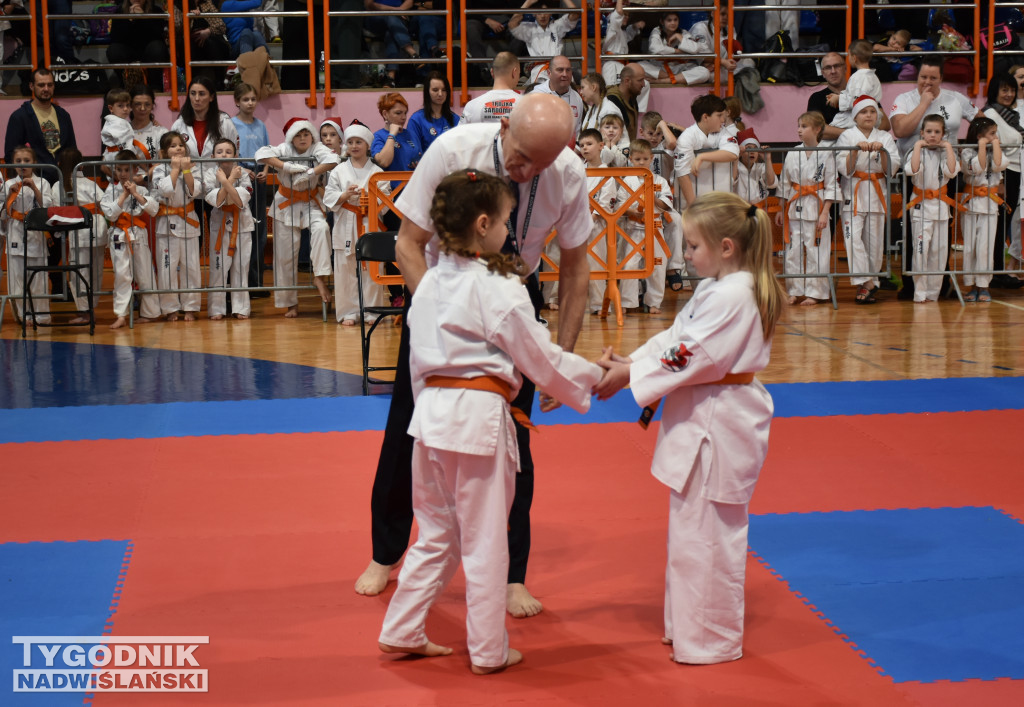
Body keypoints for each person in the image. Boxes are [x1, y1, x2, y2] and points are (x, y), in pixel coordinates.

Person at [356, 94, 592, 622]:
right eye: (521, 155)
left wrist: (562, 355)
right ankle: (385, 553)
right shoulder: (452, 149)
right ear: (505, 126)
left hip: (511, 293)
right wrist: (435, 313)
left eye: (541, 162)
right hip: (443, 291)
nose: (525, 170)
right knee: (406, 431)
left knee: (515, 442)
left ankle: (511, 575)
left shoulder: (568, 174)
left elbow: (576, 268)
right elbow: (408, 244)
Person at [377, 169, 602, 674]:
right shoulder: (498, 284)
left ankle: (402, 628)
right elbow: (539, 357)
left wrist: (428, 416)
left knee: (437, 533)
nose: (508, 230)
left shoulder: (431, 282)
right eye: (504, 220)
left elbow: (417, 364)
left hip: (428, 422)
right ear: (483, 224)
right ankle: (488, 650)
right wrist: (596, 377)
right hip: (476, 419)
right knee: (483, 540)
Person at [592, 191, 786, 666]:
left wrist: (630, 378)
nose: (687, 254)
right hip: (706, 416)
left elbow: (694, 355)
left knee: (709, 536)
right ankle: (688, 626)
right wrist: (631, 362)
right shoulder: (716, 288)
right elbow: (674, 339)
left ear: (726, 247)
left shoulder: (736, 294)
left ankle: (711, 640)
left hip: (720, 424)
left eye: (693, 246)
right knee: (690, 532)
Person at [889, 56, 977, 298]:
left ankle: (940, 286)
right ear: (917, 77)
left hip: (946, 170)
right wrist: (924, 102)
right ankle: (911, 286)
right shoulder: (904, 99)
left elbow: (979, 119)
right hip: (914, 170)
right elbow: (899, 130)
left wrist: (970, 147)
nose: (927, 82)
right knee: (913, 233)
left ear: (941, 78)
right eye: (922, 77)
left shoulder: (955, 99)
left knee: (942, 232)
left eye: (932, 78)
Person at [255, 117, 340, 316]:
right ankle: (290, 303)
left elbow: (333, 159)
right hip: (285, 204)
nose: (302, 138)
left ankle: (319, 276)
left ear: (312, 136)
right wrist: (286, 167)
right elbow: (261, 154)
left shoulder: (317, 148)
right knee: (285, 255)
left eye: (306, 134)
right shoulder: (284, 149)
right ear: (291, 138)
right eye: (298, 135)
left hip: (310, 202)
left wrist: (312, 171)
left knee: (322, 228)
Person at [323, 123, 390, 325]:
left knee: (371, 267)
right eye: (350, 142)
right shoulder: (338, 171)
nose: (354, 146)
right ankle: (348, 312)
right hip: (346, 221)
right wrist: (345, 195)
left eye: (359, 142)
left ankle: (371, 310)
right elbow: (329, 198)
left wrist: (371, 198)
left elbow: (386, 200)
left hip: (370, 222)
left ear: (368, 145)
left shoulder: (377, 172)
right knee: (346, 267)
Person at [837, 95, 898, 305]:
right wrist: (855, 151)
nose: (869, 115)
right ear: (855, 116)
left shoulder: (885, 137)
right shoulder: (847, 136)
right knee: (852, 240)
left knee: (873, 244)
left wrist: (881, 151)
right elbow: (843, 168)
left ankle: (866, 286)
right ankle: (869, 283)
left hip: (876, 193)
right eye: (864, 112)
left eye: (872, 111)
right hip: (852, 192)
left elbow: (893, 167)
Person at [776, 111, 838, 305]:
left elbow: (831, 184)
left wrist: (825, 211)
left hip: (817, 206)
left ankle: (816, 293)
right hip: (795, 205)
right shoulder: (793, 152)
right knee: (793, 250)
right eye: (799, 126)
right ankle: (794, 290)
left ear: (817, 129)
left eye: (804, 126)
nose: (799, 130)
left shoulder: (827, 153)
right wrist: (780, 208)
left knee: (816, 251)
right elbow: (784, 183)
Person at [101, 149, 161, 329]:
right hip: (119, 234)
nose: (123, 173)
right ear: (115, 171)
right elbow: (110, 215)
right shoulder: (111, 190)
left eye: (127, 169)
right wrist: (124, 196)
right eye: (119, 170)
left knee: (145, 273)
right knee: (122, 275)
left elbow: (154, 210)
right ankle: (121, 314)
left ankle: (151, 312)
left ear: (135, 170)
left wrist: (135, 194)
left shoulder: (141, 189)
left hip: (138, 233)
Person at [903, 114, 958, 303]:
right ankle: (920, 292)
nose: (933, 135)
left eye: (937, 132)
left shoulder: (946, 152)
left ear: (943, 134)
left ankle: (933, 293)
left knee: (940, 252)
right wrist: (918, 146)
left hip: (941, 207)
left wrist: (949, 147)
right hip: (921, 206)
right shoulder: (914, 151)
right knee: (920, 250)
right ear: (922, 133)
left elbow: (951, 172)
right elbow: (912, 169)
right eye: (929, 132)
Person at [153, 131, 204, 321]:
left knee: (191, 267)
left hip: (189, 221)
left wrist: (186, 170)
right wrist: (174, 169)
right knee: (167, 268)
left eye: (180, 145)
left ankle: (190, 306)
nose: (178, 148)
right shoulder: (159, 169)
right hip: (166, 224)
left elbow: (196, 190)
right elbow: (165, 191)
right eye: (173, 146)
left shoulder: (194, 167)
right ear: (164, 152)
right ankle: (170, 308)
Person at [624, 138, 678, 314]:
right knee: (629, 265)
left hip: (655, 228)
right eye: (638, 159)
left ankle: (654, 302)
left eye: (645, 159)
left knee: (657, 265)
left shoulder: (660, 181)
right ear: (631, 159)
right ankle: (628, 301)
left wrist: (651, 194)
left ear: (651, 158)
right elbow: (620, 206)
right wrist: (633, 212)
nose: (642, 162)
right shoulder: (627, 181)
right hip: (633, 228)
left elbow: (665, 205)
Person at [980, 73, 1024, 286]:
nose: (1009, 94)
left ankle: (998, 271)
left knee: (1003, 224)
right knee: (998, 225)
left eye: (1012, 90)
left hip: (1016, 172)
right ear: (995, 90)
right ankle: (995, 273)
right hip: (1002, 175)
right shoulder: (990, 114)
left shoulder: (1011, 115)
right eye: (1004, 90)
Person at [204, 138, 254, 320]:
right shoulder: (210, 174)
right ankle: (216, 309)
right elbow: (217, 201)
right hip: (220, 223)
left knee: (241, 267)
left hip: (242, 223)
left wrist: (227, 180)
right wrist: (230, 182)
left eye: (228, 151)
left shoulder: (243, 174)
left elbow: (240, 201)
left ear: (236, 155)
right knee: (219, 268)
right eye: (219, 151)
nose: (224, 154)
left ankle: (241, 308)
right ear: (212, 156)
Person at [3, 145, 53, 324]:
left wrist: (35, 188)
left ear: (34, 163)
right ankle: (23, 315)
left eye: (26, 161)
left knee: (38, 277)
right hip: (15, 233)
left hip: (37, 234)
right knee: (17, 278)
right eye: (18, 161)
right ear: (13, 164)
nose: (22, 165)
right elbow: (3, 213)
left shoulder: (43, 183)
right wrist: (9, 196)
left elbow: (48, 208)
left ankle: (41, 315)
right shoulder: (9, 184)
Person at [959, 117, 1006, 303]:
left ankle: (984, 286)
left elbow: (999, 165)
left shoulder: (996, 150)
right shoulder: (966, 152)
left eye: (996, 133)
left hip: (989, 203)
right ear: (979, 136)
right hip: (970, 202)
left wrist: (994, 145)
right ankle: (970, 285)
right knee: (970, 246)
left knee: (985, 247)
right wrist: (980, 146)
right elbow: (976, 169)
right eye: (992, 134)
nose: (996, 137)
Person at [231, 82, 271, 297]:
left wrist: (265, 169)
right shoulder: (231, 124)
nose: (250, 103)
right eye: (245, 99)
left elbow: (266, 151)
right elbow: (229, 152)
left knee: (259, 231)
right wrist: (243, 172)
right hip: (240, 177)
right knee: (242, 231)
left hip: (259, 178)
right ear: (237, 102)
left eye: (253, 99)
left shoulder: (261, 125)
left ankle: (257, 283)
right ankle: (240, 281)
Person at [674, 93, 739, 209]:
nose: (723, 120)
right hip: (694, 202)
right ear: (705, 117)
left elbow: (733, 154)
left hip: (721, 201)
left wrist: (702, 157)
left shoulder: (723, 132)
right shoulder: (687, 137)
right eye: (719, 115)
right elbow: (682, 174)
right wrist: (692, 206)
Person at [577, 128, 617, 314]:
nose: (585, 148)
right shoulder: (577, 170)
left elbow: (606, 201)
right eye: (582, 145)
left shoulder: (606, 173)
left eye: (589, 144)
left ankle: (598, 305)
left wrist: (590, 220)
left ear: (601, 146)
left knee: (595, 264)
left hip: (597, 225)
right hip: (575, 223)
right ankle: (557, 300)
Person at [4, 67, 76, 166]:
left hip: (62, 176)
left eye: (50, 85)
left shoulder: (63, 115)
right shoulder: (19, 117)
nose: (46, 89)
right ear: (31, 86)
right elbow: (11, 155)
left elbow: (72, 149)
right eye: (41, 85)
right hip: (34, 178)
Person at [508, 0, 577, 84]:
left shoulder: (557, 26)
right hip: (539, 71)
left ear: (551, 13)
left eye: (546, 12)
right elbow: (512, 24)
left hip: (559, 68)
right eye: (539, 13)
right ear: (534, 14)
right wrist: (528, 2)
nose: (543, 16)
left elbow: (575, 14)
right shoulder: (529, 29)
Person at [106, 0, 170, 90]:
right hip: (128, 52)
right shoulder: (119, 11)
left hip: (149, 52)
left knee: (157, 47)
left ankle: (154, 87)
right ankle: (126, 84)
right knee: (114, 50)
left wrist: (143, 18)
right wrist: (129, 20)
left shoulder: (156, 10)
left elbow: (158, 36)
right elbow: (116, 38)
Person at [640, 11, 711, 87]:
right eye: (669, 20)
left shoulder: (683, 32)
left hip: (680, 68)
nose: (673, 23)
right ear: (662, 22)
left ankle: (663, 81)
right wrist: (678, 51)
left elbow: (695, 49)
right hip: (661, 70)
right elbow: (655, 49)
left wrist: (678, 36)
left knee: (705, 72)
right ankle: (678, 78)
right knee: (640, 65)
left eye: (675, 20)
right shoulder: (657, 31)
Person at [828, 40, 881, 133]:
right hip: (868, 116)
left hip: (856, 119)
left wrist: (839, 99)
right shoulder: (872, 76)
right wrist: (839, 96)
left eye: (849, 55)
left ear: (854, 58)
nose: (848, 58)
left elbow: (858, 100)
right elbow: (855, 95)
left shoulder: (860, 76)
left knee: (827, 138)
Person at [531, 55, 584, 138]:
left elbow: (577, 132)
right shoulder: (535, 96)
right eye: (560, 70)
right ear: (549, 73)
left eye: (568, 70)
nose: (565, 74)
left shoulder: (577, 98)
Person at [462, 52, 522, 124]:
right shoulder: (527, 104)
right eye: (519, 74)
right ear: (514, 72)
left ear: (491, 72)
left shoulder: (471, 106)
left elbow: (460, 134)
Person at [407, 72, 460, 152]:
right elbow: (414, 152)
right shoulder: (416, 120)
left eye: (444, 90)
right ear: (427, 92)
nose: (440, 94)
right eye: (435, 90)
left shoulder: (455, 119)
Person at [601, 0, 644, 89]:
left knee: (644, 85)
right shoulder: (611, 26)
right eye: (624, 14)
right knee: (612, 94)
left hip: (621, 65)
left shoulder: (620, 31)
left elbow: (628, 34)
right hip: (612, 65)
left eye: (627, 15)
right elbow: (619, 12)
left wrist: (635, 26)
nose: (626, 17)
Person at [734, 128, 777, 210]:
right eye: (748, 148)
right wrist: (736, 157)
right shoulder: (735, 166)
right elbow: (732, 180)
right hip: (738, 209)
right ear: (741, 152)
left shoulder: (761, 167)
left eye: (755, 148)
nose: (752, 151)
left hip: (758, 208)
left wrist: (767, 159)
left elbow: (771, 183)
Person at [807, 53, 845, 141]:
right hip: (829, 152)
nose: (833, 71)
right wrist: (853, 134)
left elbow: (883, 123)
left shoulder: (860, 93)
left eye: (837, 66)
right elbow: (816, 129)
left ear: (845, 68)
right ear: (823, 73)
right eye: (828, 68)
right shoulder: (816, 98)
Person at [605, 63, 645, 142]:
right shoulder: (612, 102)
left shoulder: (632, 97)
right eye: (640, 80)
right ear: (627, 81)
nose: (643, 84)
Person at [130, 84, 167, 166]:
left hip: (153, 177)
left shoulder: (161, 132)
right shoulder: (122, 131)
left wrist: (145, 177)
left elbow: (164, 164)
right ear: (131, 105)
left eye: (147, 104)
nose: (142, 108)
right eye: (138, 104)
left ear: (152, 105)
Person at [100, 88, 136, 163]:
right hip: (119, 158)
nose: (126, 109)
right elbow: (124, 143)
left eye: (128, 105)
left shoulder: (117, 121)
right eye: (120, 106)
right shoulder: (116, 123)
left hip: (117, 157)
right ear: (111, 108)